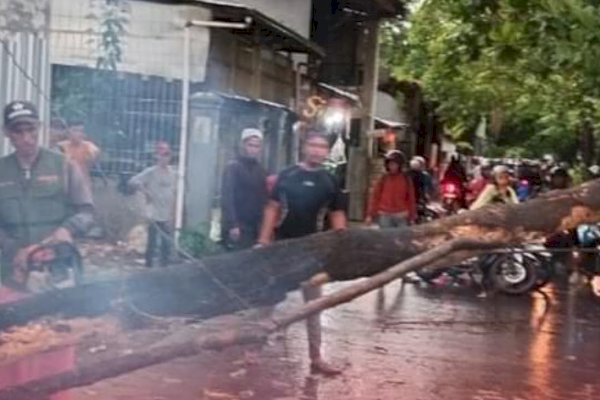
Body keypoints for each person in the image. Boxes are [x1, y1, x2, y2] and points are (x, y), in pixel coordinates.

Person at [256, 129, 347, 375]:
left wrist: (342, 247)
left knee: (314, 307)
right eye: (313, 145)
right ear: (304, 147)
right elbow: (272, 208)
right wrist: (263, 241)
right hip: (283, 248)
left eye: (322, 147)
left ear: (327, 152)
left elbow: (337, 215)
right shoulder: (287, 175)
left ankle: (316, 358)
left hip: (313, 252)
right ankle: (252, 350)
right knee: (268, 301)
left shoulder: (330, 181)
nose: (317, 150)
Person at [0, 101, 94, 288]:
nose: (27, 138)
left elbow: (86, 212)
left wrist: (67, 229)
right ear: (6, 133)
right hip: (12, 268)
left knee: (61, 315)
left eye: (31, 129)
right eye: (18, 132)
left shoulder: (64, 165)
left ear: (39, 127)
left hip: (58, 265)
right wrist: (14, 249)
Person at [129, 142, 177, 267]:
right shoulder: (151, 172)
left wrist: (174, 211)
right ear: (157, 157)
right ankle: (149, 266)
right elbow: (133, 181)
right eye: (162, 155)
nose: (165, 158)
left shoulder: (172, 173)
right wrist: (144, 191)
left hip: (167, 212)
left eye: (167, 155)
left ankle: (164, 266)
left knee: (166, 242)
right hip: (154, 212)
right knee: (152, 241)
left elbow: (174, 192)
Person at [220, 128, 268, 250]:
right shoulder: (233, 167)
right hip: (238, 225)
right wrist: (232, 224)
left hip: (254, 226)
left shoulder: (260, 170)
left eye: (256, 146)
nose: (253, 149)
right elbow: (227, 197)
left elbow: (263, 197)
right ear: (243, 145)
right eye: (250, 145)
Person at [366, 150, 416, 227]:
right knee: (385, 238)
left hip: (401, 214)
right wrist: (370, 214)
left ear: (400, 165)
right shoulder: (383, 178)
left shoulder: (405, 178)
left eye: (395, 164)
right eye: (390, 164)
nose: (392, 166)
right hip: (385, 214)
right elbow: (375, 196)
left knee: (403, 237)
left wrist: (412, 217)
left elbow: (411, 198)